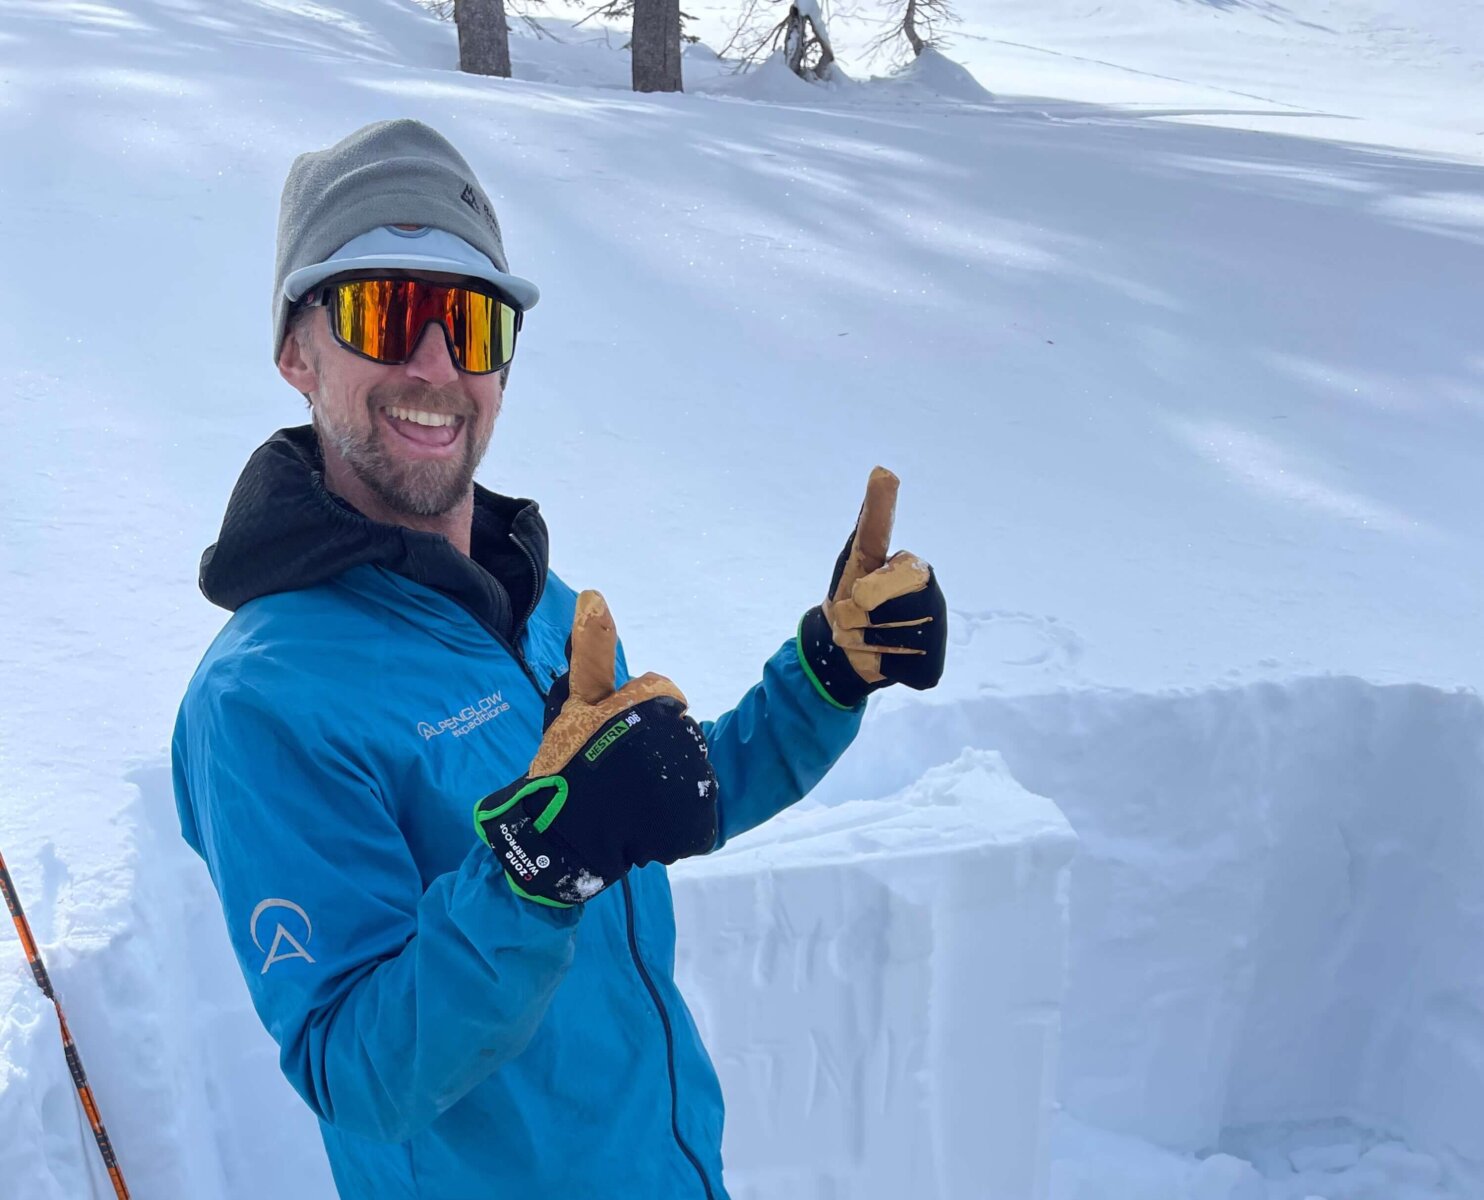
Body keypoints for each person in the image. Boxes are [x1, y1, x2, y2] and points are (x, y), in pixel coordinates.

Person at [171, 118, 947, 1199]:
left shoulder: (542, 606)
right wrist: (536, 869)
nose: (434, 364)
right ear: (297, 354)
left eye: (470, 321)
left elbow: (668, 802)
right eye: (384, 312)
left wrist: (824, 677)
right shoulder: (261, 703)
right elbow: (360, 1072)